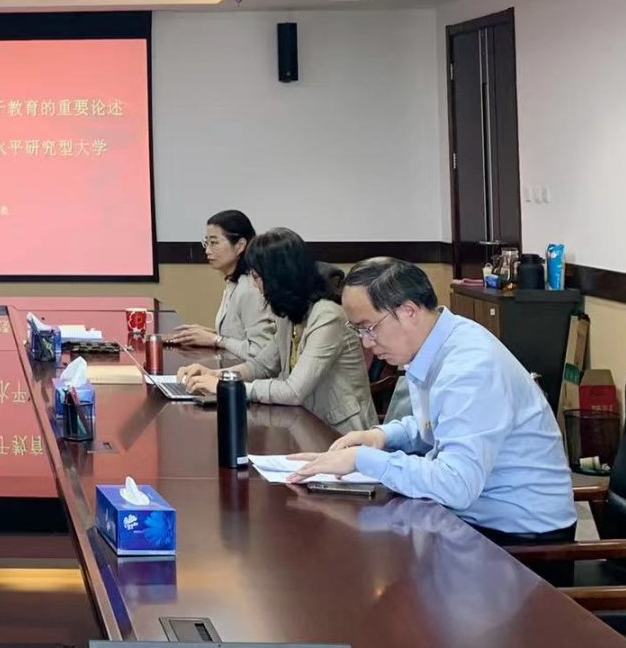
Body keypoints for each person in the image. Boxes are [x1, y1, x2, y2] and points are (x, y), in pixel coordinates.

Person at [289, 258, 577, 545]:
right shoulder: (439, 343)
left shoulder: (469, 366)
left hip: (519, 539)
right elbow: (441, 423)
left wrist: (361, 459)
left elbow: (457, 484)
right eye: (359, 331)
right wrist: (382, 437)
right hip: (474, 518)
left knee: (361, 547)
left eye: (369, 328)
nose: (366, 342)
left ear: (408, 311)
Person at [178, 228, 376, 433]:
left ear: (279, 278)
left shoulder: (327, 316)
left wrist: (229, 389)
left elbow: (293, 391)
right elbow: (262, 366)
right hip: (304, 423)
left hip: (340, 432)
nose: (254, 285)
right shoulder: (290, 314)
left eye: (257, 277)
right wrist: (217, 375)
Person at [161, 209, 276, 363]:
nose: (207, 250)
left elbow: (259, 352)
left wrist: (216, 339)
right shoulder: (234, 281)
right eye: (206, 243)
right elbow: (240, 336)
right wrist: (208, 335)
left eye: (214, 243)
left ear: (240, 245)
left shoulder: (250, 289)